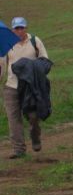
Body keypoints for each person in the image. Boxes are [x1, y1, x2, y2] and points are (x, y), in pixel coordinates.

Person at [0, 17, 49, 159]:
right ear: (12, 29)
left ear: (26, 28)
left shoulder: (35, 41)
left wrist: (31, 68)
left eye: (22, 28)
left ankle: (35, 137)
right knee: (13, 118)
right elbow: (2, 65)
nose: (19, 31)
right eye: (16, 28)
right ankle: (18, 149)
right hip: (11, 86)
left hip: (30, 86)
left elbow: (45, 61)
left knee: (33, 116)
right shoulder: (6, 44)